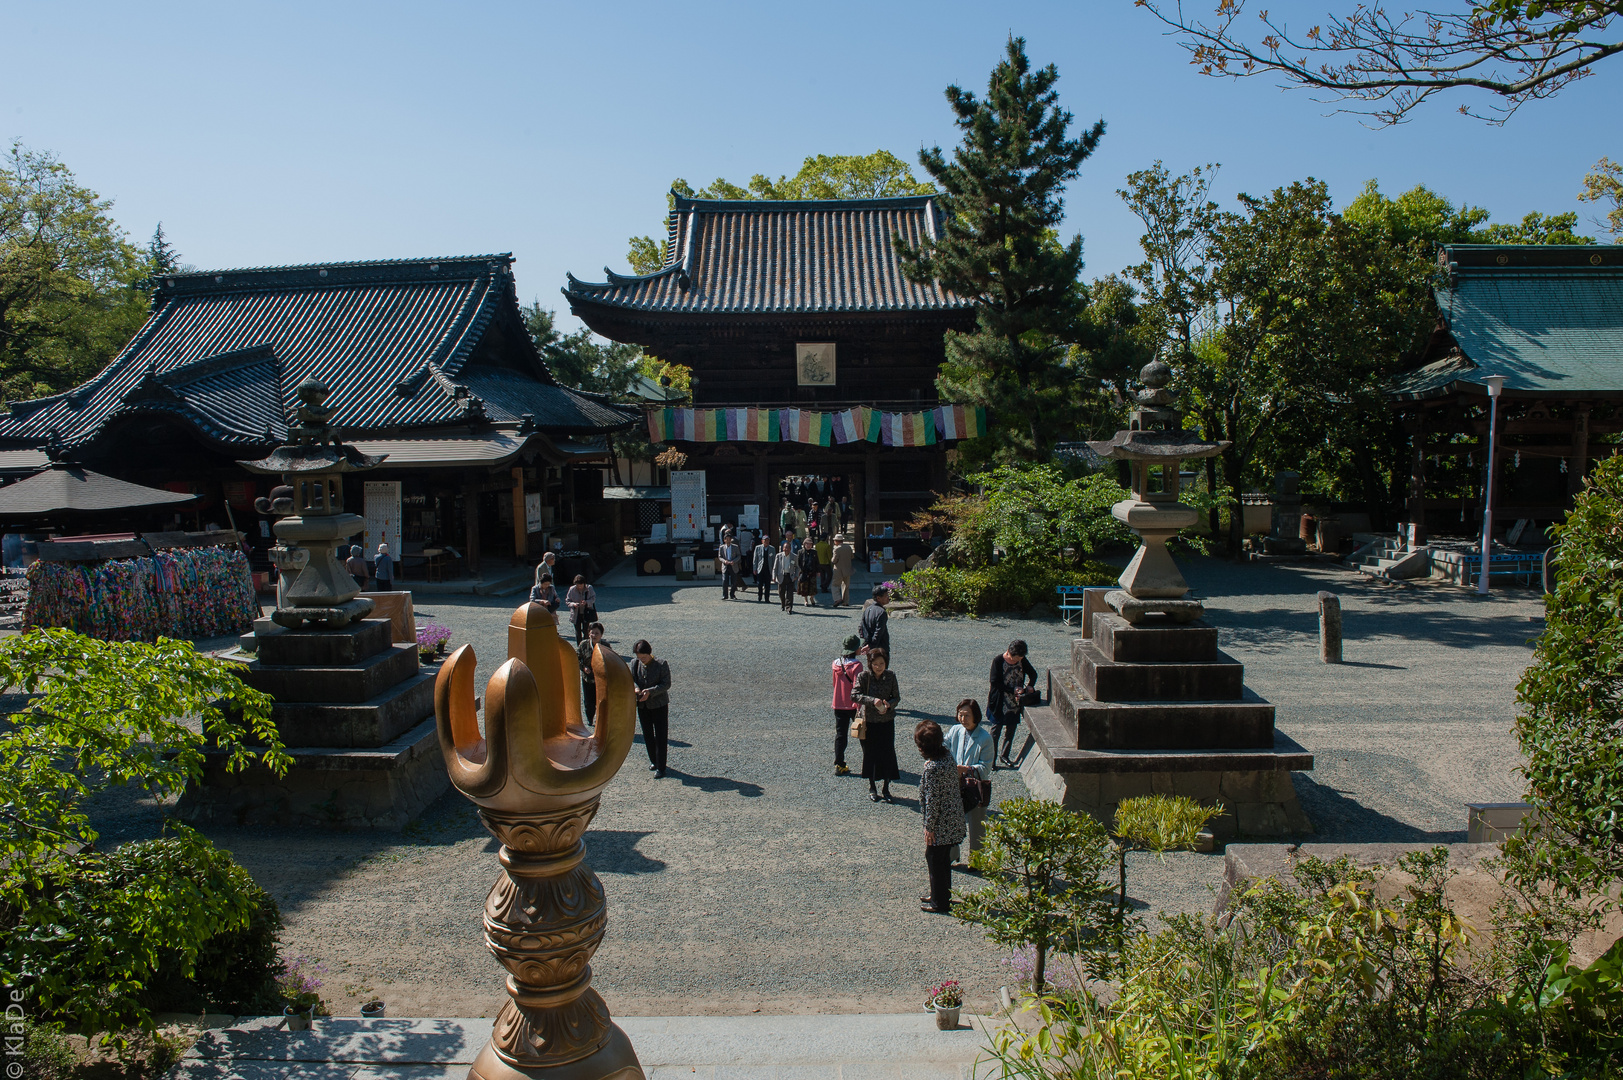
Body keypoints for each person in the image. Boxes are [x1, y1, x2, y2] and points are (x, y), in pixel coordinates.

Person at [916, 719, 967, 914]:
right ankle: (940, 894)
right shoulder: (947, 757)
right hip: (952, 817)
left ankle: (939, 901)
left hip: (940, 823)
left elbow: (932, 800)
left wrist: (929, 827)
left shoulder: (932, 767)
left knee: (934, 858)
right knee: (942, 859)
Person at [944, 699, 994, 865]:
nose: (963, 718)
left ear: (976, 717)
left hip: (975, 786)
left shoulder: (985, 738)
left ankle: (977, 861)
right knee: (952, 820)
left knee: (976, 824)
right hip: (955, 783)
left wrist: (965, 769)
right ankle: (952, 855)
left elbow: (985, 768)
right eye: (960, 714)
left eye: (967, 715)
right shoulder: (955, 730)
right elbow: (944, 746)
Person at [854, 647, 900, 803]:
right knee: (870, 754)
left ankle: (886, 788)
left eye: (882, 663)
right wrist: (872, 701)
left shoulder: (891, 676)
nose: (879, 666)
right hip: (870, 722)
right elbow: (855, 695)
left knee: (887, 754)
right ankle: (872, 787)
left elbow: (896, 697)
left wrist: (889, 705)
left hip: (886, 721)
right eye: (875, 663)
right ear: (870, 663)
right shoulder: (864, 677)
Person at [987, 639, 1039, 768]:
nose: (1017, 661)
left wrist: (1030, 686)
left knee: (1011, 730)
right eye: (1015, 658)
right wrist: (1012, 689)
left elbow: (1033, 673)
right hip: (1000, 701)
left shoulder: (1022, 660)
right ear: (1009, 653)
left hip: (1014, 703)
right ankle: (991, 759)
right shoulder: (998, 661)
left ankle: (1005, 755)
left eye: (1020, 658)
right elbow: (994, 682)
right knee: (995, 731)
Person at [629, 639, 670, 777]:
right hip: (642, 705)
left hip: (659, 705)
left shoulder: (661, 664)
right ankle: (653, 760)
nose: (642, 660)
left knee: (661, 736)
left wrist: (650, 692)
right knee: (647, 734)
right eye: (639, 658)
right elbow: (632, 679)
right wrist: (636, 688)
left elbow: (666, 684)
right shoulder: (635, 664)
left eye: (644, 657)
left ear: (649, 654)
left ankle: (661, 767)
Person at [831, 634, 864, 776]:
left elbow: (834, 683)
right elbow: (858, 686)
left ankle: (839, 763)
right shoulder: (857, 665)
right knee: (863, 734)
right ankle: (869, 762)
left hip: (838, 703)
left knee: (840, 734)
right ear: (855, 649)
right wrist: (860, 706)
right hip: (853, 705)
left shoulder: (835, 663)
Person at [577, 621, 606, 727]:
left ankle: (601, 720)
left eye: (596, 633)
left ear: (601, 635)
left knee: (601, 701)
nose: (594, 635)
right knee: (589, 702)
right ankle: (590, 719)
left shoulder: (605, 646)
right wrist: (583, 667)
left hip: (601, 679)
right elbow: (577, 658)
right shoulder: (583, 644)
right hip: (587, 679)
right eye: (592, 633)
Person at [858, 586, 891, 657]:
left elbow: (861, 627)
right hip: (881, 647)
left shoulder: (867, 609)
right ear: (878, 598)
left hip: (869, 646)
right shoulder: (881, 612)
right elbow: (879, 631)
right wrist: (871, 645)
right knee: (881, 667)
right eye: (886, 596)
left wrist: (865, 642)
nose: (888, 597)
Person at [565, 574, 598, 645]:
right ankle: (579, 646)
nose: (579, 587)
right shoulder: (572, 589)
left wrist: (587, 602)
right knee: (578, 631)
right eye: (577, 585)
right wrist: (573, 604)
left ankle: (587, 645)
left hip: (586, 612)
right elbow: (567, 601)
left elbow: (593, 598)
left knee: (586, 631)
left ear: (584, 583)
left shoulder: (589, 588)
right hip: (576, 613)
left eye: (581, 585)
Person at [773, 541, 798, 612]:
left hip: (790, 576)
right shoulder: (778, 556)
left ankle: (789, 607)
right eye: (784, 547)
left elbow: (797, 567)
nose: (786, 549)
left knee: (790, 593)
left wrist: (796, 575)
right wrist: (774, 576)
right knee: (781, 592)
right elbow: (775, 567)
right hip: (781, 576)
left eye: (787, 547)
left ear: (790, 549)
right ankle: (783, 604)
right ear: (782, 548)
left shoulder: (794, 556)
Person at [717, 531, 742, 600]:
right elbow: (720, 557)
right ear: (724, 540)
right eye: (726, 539)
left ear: (731, 539)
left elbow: (739, 555)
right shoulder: (721, 547)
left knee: (734, 581)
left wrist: (734, 561)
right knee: (725, 581)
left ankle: (732, 594)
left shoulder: (735, 547)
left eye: (729, 539)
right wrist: (724, 561)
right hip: (725, 565)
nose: (728, 540)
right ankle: (725, 595)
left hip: (733, 565)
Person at [830, 534, 854, 607]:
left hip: (838, 570)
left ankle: (837, 598)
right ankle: (845, 601)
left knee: (834, 585)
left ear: (837, 541)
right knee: (846, 586)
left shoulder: (837, 549)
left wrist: (831, 559)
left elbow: (834, 560)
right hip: (847, 569)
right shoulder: (848, 547)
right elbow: (852, 557)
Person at [753, 531, 775, 601]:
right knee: (759, 584)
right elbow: (755, 559)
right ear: (762, 541)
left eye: (768, 540)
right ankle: (759, 596)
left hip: (768, 569)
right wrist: (754, 568)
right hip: (760, 568)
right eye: (765, 540)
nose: (766, 542)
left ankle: (767, 598)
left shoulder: (772, 549)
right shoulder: (758, 548)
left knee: (767, 585)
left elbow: (774, 559)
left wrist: (774, 570)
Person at [797, 541, 819, 607]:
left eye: (810, 544)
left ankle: (812, 598)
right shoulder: (800, 552)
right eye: (807, 544)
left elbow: (817, 562)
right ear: (804, 544)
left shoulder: (814, 552)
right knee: (804, 587)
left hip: (812, 571)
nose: (808, 545)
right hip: (804, 572)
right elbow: (798, 562)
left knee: (813, 586)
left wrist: (818, 571)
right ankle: (806, 600)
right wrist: (800, 570)